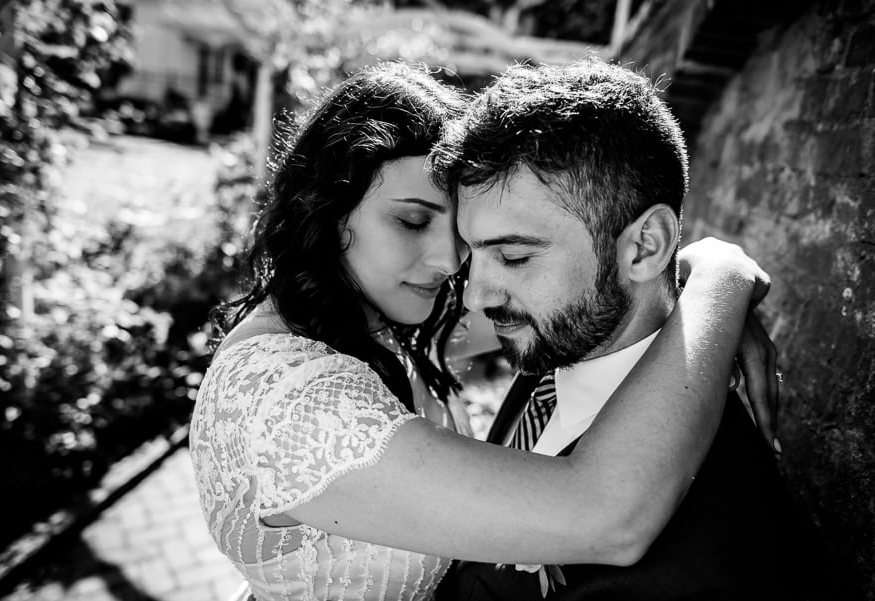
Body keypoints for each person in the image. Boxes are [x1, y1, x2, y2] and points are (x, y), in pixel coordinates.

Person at [189, 62, 777, 601]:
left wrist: (681, 302)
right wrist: (720, 281)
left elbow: (599, 298)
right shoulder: (286, 401)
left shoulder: (373, 325)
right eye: (413, 220)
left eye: (466, 241)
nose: (454, 270)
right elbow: (599, 512)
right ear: (325, 207)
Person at [432, 60, 815, 600]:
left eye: (515, 256)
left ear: (646, 246)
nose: (476, 295)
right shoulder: (563, 346)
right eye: (473, 252)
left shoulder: (701, 557)